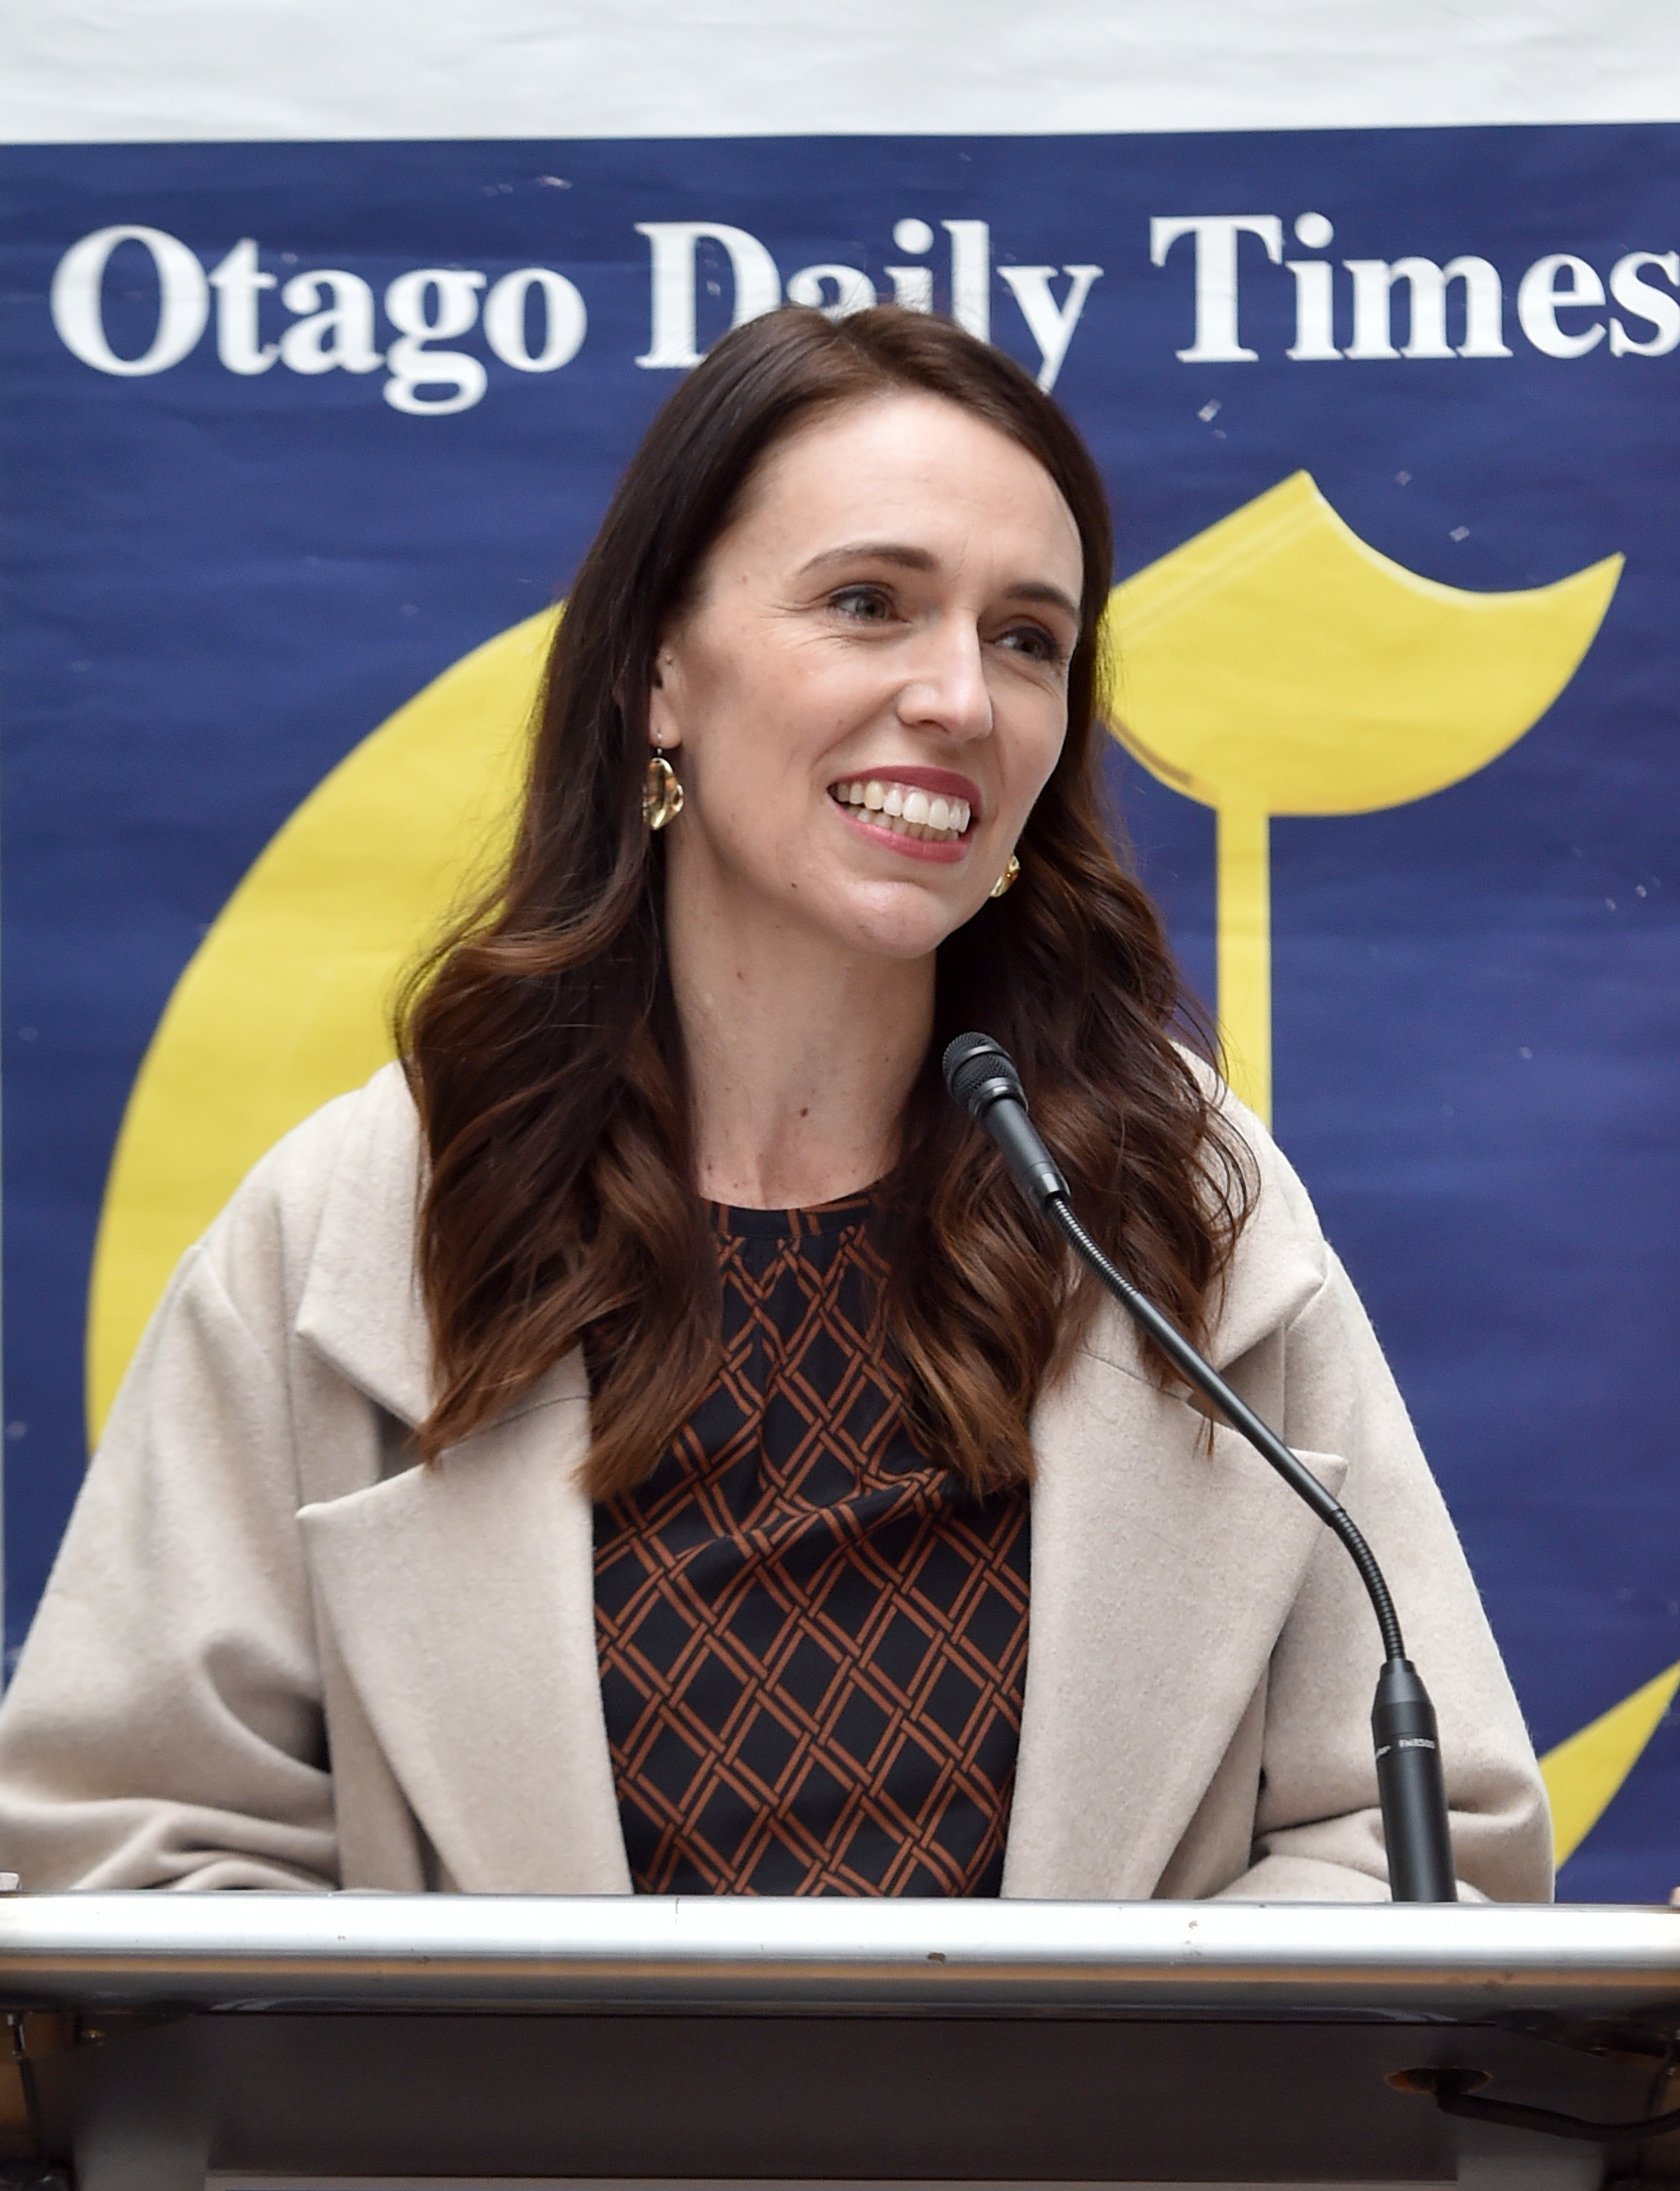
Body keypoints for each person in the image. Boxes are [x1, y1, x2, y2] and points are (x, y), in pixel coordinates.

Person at [0, 307, 1549, 1905]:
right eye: (869, 604)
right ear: (659, 671)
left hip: (1100, 2164)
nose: (960, 696)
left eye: (1027, 638)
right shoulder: (360, 1221)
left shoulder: (1184, 1208)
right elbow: (128, 1864)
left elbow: (1424, 1859)